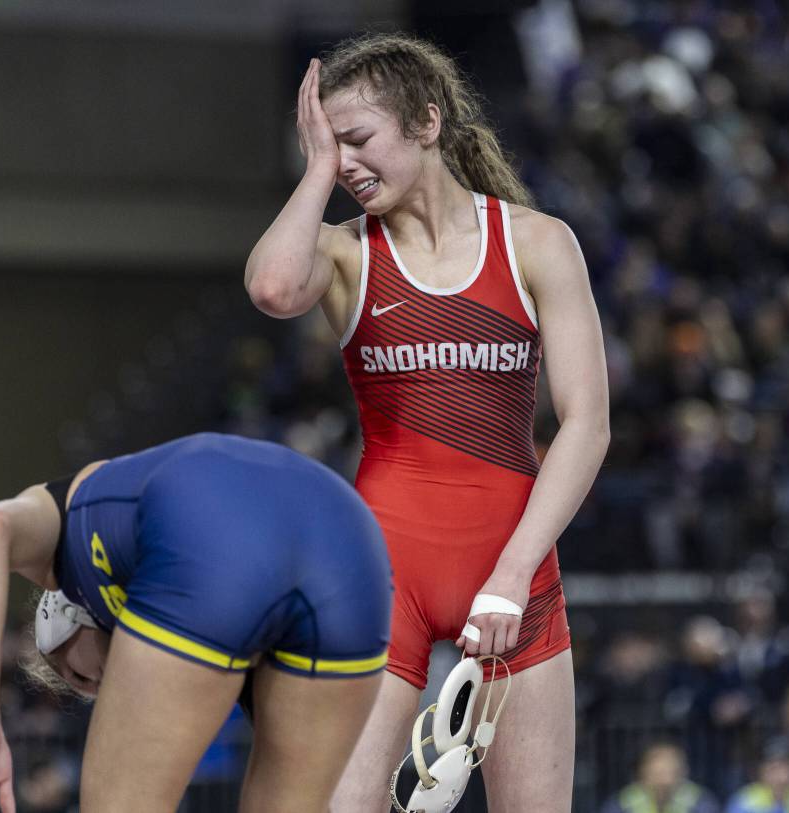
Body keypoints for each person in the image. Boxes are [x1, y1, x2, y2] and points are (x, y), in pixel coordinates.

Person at [245, 32, 610, 811]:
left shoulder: (538, 243)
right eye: (325, 145)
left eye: (355, 139)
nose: (341, 162)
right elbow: (274, 289)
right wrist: (314, 169)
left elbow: (587, 424)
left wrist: (512, 574)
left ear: (427, 123)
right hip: (384, 571)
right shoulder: (345, 253)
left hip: (516, 568)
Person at [0, 432, 392, 813]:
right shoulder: (158, 572)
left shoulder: (61, 544)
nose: (93, 692)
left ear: (70, 614)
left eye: (74, 674)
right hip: (353, 543)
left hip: (214, 526)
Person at [599, 742, 720, 813]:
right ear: (642, 773)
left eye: (671, 772)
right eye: (658, 773)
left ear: (683, 772)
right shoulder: (622, 803)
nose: (664, 781)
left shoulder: (700, 802)